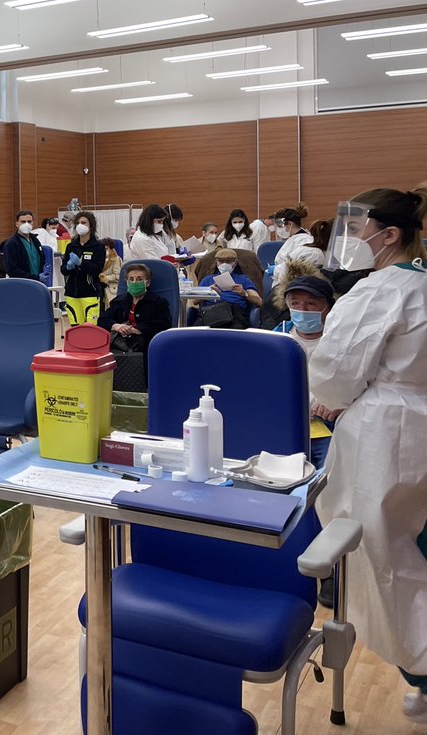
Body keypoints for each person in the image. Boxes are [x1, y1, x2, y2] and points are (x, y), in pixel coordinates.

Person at [309, 183, 427, 723]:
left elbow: (335, 375)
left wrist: (336, 398)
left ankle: (422, 670)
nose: (353, 239)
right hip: (412, 425)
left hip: (388, 435)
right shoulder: (419, 284)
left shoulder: (380, 290)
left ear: (390, 235)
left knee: (386, 557)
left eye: (359, 230)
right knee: (413, 546)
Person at [272, 273, 338, 468]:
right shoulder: (277, 339)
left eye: (311, 304)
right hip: (284, 423)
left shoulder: (341, 340)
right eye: (295, 303)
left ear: (327, 307)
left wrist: (338, 402)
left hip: (328, 425)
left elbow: (360, 382)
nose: (302, 310)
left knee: (330, 471)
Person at [98, 263, 172, 358]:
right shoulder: (119, 301)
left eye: (139, 279)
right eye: (131, 279)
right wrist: (116, 326)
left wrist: (137, 329)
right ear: (127, 282)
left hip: (148, 347)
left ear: (147, 282)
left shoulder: (158, 303)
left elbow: (164, 324)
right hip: (120, 347)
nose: (135, 282)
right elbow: (102, 320)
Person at [194, 248, 261, 328]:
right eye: (221, 261)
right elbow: (195, 301)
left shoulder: (243, 279)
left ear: (235, 263)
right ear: (216, 263)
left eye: (228, 261)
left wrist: (244, 293)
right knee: (196, 329)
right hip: (210, 314)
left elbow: (259, 301)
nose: (224, 264)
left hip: (234, 315)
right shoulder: (208, 279)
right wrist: (208, 292)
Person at [61, 211, 106, 325]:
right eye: (78, 223)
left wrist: (81, 263)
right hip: (71, 293)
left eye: (84, 222)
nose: (80, 225)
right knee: (75, 328)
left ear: (91, 225)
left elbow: (97, 269)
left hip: (90, 293)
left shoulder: (98, 246)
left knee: (91, 328)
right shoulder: (71, 246)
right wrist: (68, 267)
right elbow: (63, 270)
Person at [272, 204, 324, 282]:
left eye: (280, 226)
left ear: (290, 224)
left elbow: (296, 268)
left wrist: (276, 270)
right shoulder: (294, 239)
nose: (278, 229)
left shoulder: (305, 241)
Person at [2, 210, 45, 280]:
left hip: (38, 282)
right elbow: (12, 270)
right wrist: (34, 278)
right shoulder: (11, 244)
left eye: (29, 221)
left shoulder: (35, 240)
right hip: (22, 283)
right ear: (17, 224)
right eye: (23, 222)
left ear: (32, 223)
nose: (26, 224)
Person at [98, 238, 123, 307]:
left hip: (110, 288)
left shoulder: (116, 259)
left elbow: (118, 276)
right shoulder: (98, 258)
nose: (104, 250)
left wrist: (106, 278)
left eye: (106, 248)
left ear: (111, 249)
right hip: (98, 289)